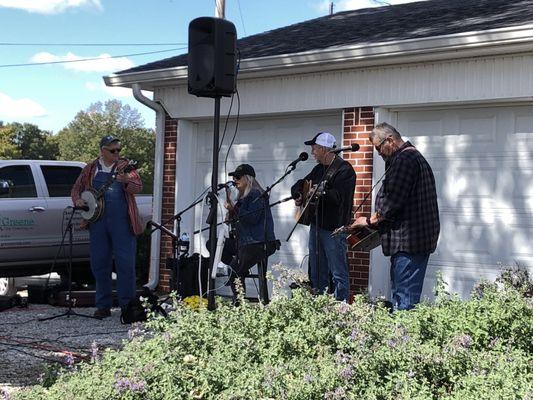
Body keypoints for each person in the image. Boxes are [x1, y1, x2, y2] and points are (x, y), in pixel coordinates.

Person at [350, 122, 440, 311]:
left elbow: (390, 204)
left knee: (404, 304)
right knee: (404, 299)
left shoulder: (405, 160)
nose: (379, 153)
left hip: (409, 245)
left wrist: (366, 221)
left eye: (379, 147)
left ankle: (403, 340)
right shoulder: (410, 157)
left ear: (389, 140)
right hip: (413, 243)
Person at [71, 135, 143, 319]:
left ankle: (127, 307)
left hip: (123, 223)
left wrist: (126, 180)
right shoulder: (91, 168)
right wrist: (78, 200)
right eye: (113, 150)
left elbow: (137, 187)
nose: (117, 153)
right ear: (103, 150)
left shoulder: (125, 167)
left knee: (125, 264)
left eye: (119, 150)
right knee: (99, 264)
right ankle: (103, 305)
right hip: (98, 222)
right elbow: (76, 188)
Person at [291, 132, 356, 301]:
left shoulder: (344, 170)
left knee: (338, 270)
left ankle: (341, 306)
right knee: (317, 268)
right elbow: (301, 183)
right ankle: (320, 303)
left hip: (334, 228)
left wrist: (321, 192)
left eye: (314, 148)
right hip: (317, 225)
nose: (312, 152)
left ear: (323, 149)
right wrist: (298, 194)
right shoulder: (319, 169)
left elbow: (339, 197)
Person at [223, 164, 277, 303]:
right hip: (244, 242)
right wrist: (230, 206)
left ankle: (239, 302)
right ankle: (240, 267)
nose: (235, 180)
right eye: (234, 178)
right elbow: (233, 220)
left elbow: (252, 218)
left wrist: (233, 209)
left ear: (248, 178)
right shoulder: (242, 198)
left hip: (258, 242)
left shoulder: (256, 194)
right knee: (213, 244)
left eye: (238, 177)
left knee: (234, 269)